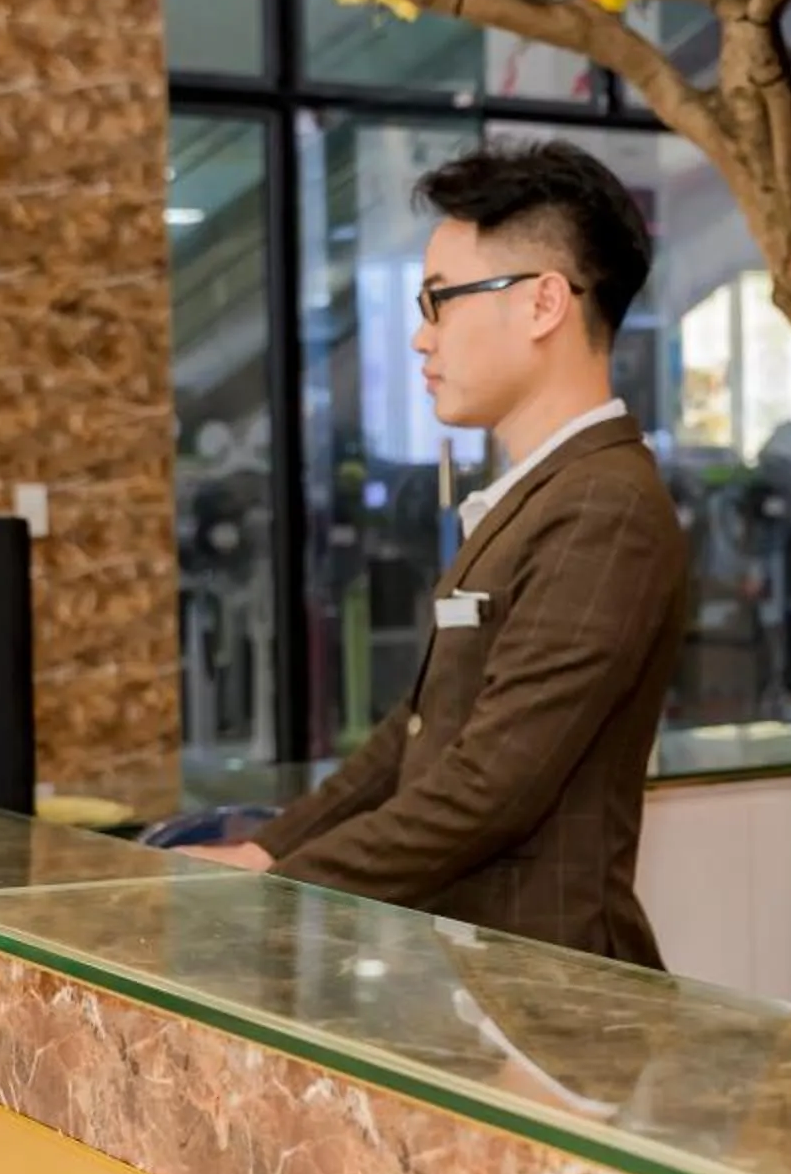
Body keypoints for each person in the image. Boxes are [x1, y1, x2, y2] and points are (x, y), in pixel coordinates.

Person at [195, 141, 691, 969]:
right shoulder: (544, 492)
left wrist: (283, 896)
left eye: (440, 303)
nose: (422, 341)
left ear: (542, 305)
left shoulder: (603, 506)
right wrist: (269, 853)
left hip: (552, 993)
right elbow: (419, 733)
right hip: (479, 975)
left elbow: (489, 789)